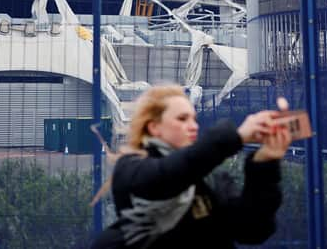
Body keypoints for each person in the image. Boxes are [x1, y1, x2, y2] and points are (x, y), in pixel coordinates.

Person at [91, 85, 291, 249]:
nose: (194, 126)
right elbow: (167, 177)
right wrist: (236, 137)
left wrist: (265, 163)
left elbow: (253, 231)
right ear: (154, 127)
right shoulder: (132, 168)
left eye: (194, 119)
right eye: (182, 119)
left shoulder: (211, 179)